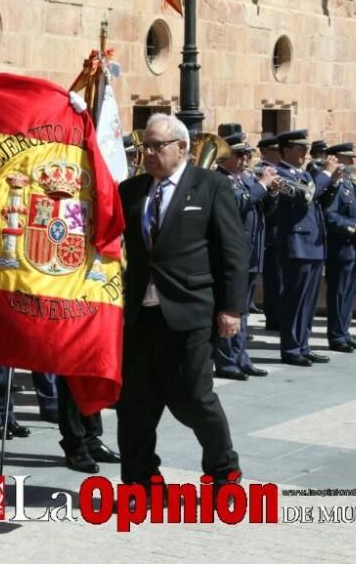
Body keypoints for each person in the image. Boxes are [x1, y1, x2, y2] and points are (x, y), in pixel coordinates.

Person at [116, 113, 246, 494]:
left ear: (182, 148)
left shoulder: (210, 186)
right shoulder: (132, 190)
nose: (149, 153)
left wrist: (232, 308)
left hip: (191, 311)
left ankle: (224, 473)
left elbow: (233, 251)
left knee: (193, 396)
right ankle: (140, 481)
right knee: (135, 404)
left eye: (157, 146)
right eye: (145, 146)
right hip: (141, 314)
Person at [213, 124, 274, 379]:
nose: (245, 160)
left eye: (247, 155)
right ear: (225, 156)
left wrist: (271, 193)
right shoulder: (220, 179)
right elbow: (239, 204)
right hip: (232, 255)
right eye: (240, 155)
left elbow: (261, 212)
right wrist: (262, 187)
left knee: (244, 309)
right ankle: (227, 361)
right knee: (230, 307)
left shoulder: (246, 179)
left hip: (251, 253)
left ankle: (241, 356)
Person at [273, 129, 338, 366]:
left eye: (306, 149)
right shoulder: (280, 173)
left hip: (313, 242)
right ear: (286, 149)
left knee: (309, 301)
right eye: (300, 148)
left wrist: (334, 181)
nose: (305, 153)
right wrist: (327, 174)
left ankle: (303, 344)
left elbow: (321, 201)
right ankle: (290, 348)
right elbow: (305, 197)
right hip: (296, 243)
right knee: (294, 299)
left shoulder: (306, 173)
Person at [322, 143, 356, 352]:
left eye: (353, 159)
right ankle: (336, 335)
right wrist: (353, 226)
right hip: (340, 247)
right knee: (339, 293)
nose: (353, 163)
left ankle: (345, 331)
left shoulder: (351, 185)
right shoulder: (335, 185)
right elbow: (330, 216)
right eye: (348, 158)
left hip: (355, 247)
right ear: (336, 159)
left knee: (350, 292)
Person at [258, 136, 282, 331]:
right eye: (275, 150)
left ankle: (277, 315)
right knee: (273, 280)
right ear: (265, 151)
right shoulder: (260, 172)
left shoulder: (280, 172)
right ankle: (273, 317)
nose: (278, 154)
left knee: (280, 279)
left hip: (281, 233)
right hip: (270, 233)